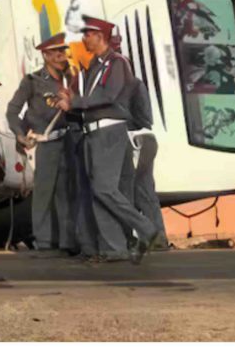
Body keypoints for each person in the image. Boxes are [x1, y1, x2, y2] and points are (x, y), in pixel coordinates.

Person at [57, 15, 161, 264]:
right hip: (93, 132)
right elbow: (91, 100)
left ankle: (147, 230)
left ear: (100, 37)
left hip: (108, 132)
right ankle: (114, 248)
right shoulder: (95, 65)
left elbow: (109, 95)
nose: (84, 39)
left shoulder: (117, 63)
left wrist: (75, 102)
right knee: (99, 192)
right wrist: (70, 105)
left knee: (104, 189)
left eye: (88, 35)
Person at [6, 33, 76, 256]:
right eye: (55, 52)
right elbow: (12, 111)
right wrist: (19, 134)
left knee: (66, 193)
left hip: (69, 142)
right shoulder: (33, 81)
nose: (60, 56)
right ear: (45, 55)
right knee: (44, 194)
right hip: (47, 144)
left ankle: (67, 241)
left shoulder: (71, 78)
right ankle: (45, 242)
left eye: (62, 51)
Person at [125, 77, 170, 250]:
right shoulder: (135, 83)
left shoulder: (126, 86)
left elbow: (138, 117)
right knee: (144, 192)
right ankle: (156, 237)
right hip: (145, 139)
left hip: (137, 139)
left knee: (137, 192)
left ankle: (154, 237)